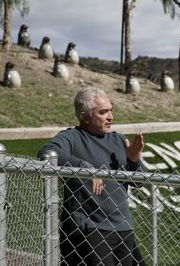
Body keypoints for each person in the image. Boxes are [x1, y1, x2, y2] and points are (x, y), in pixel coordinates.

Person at [38, 87, 146, 266]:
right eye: (103, 112)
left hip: (124, 227)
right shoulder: (72, 137)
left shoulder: (119, 140)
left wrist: (134, 160)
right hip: (91, 230)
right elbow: (46, 152)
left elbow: (139, 182)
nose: (111, 117)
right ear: (84, 116)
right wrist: (85, 169)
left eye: (111, 110)